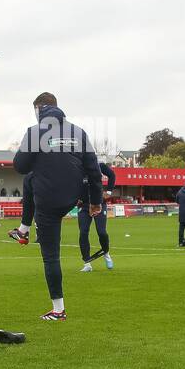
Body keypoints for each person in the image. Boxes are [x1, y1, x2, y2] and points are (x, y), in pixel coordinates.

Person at [12, 93, 102, 321]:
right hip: (73, 197)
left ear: (39, 108)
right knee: (30, 179)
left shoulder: (34, 132)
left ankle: (58, 310)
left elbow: (20, 165)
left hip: (48, 202)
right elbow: (94, 171)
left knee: (51, 257)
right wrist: (95, 202)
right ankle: (23, 229)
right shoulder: (79, 132)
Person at [79, 162, 116, 272]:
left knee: (102, 232)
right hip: (84, 205)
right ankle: (87, 263)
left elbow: (112, 175)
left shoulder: (99, 165)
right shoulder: (76, 167)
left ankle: (106, 252)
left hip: (99, 203)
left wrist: (109, 191)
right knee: (83, 232)